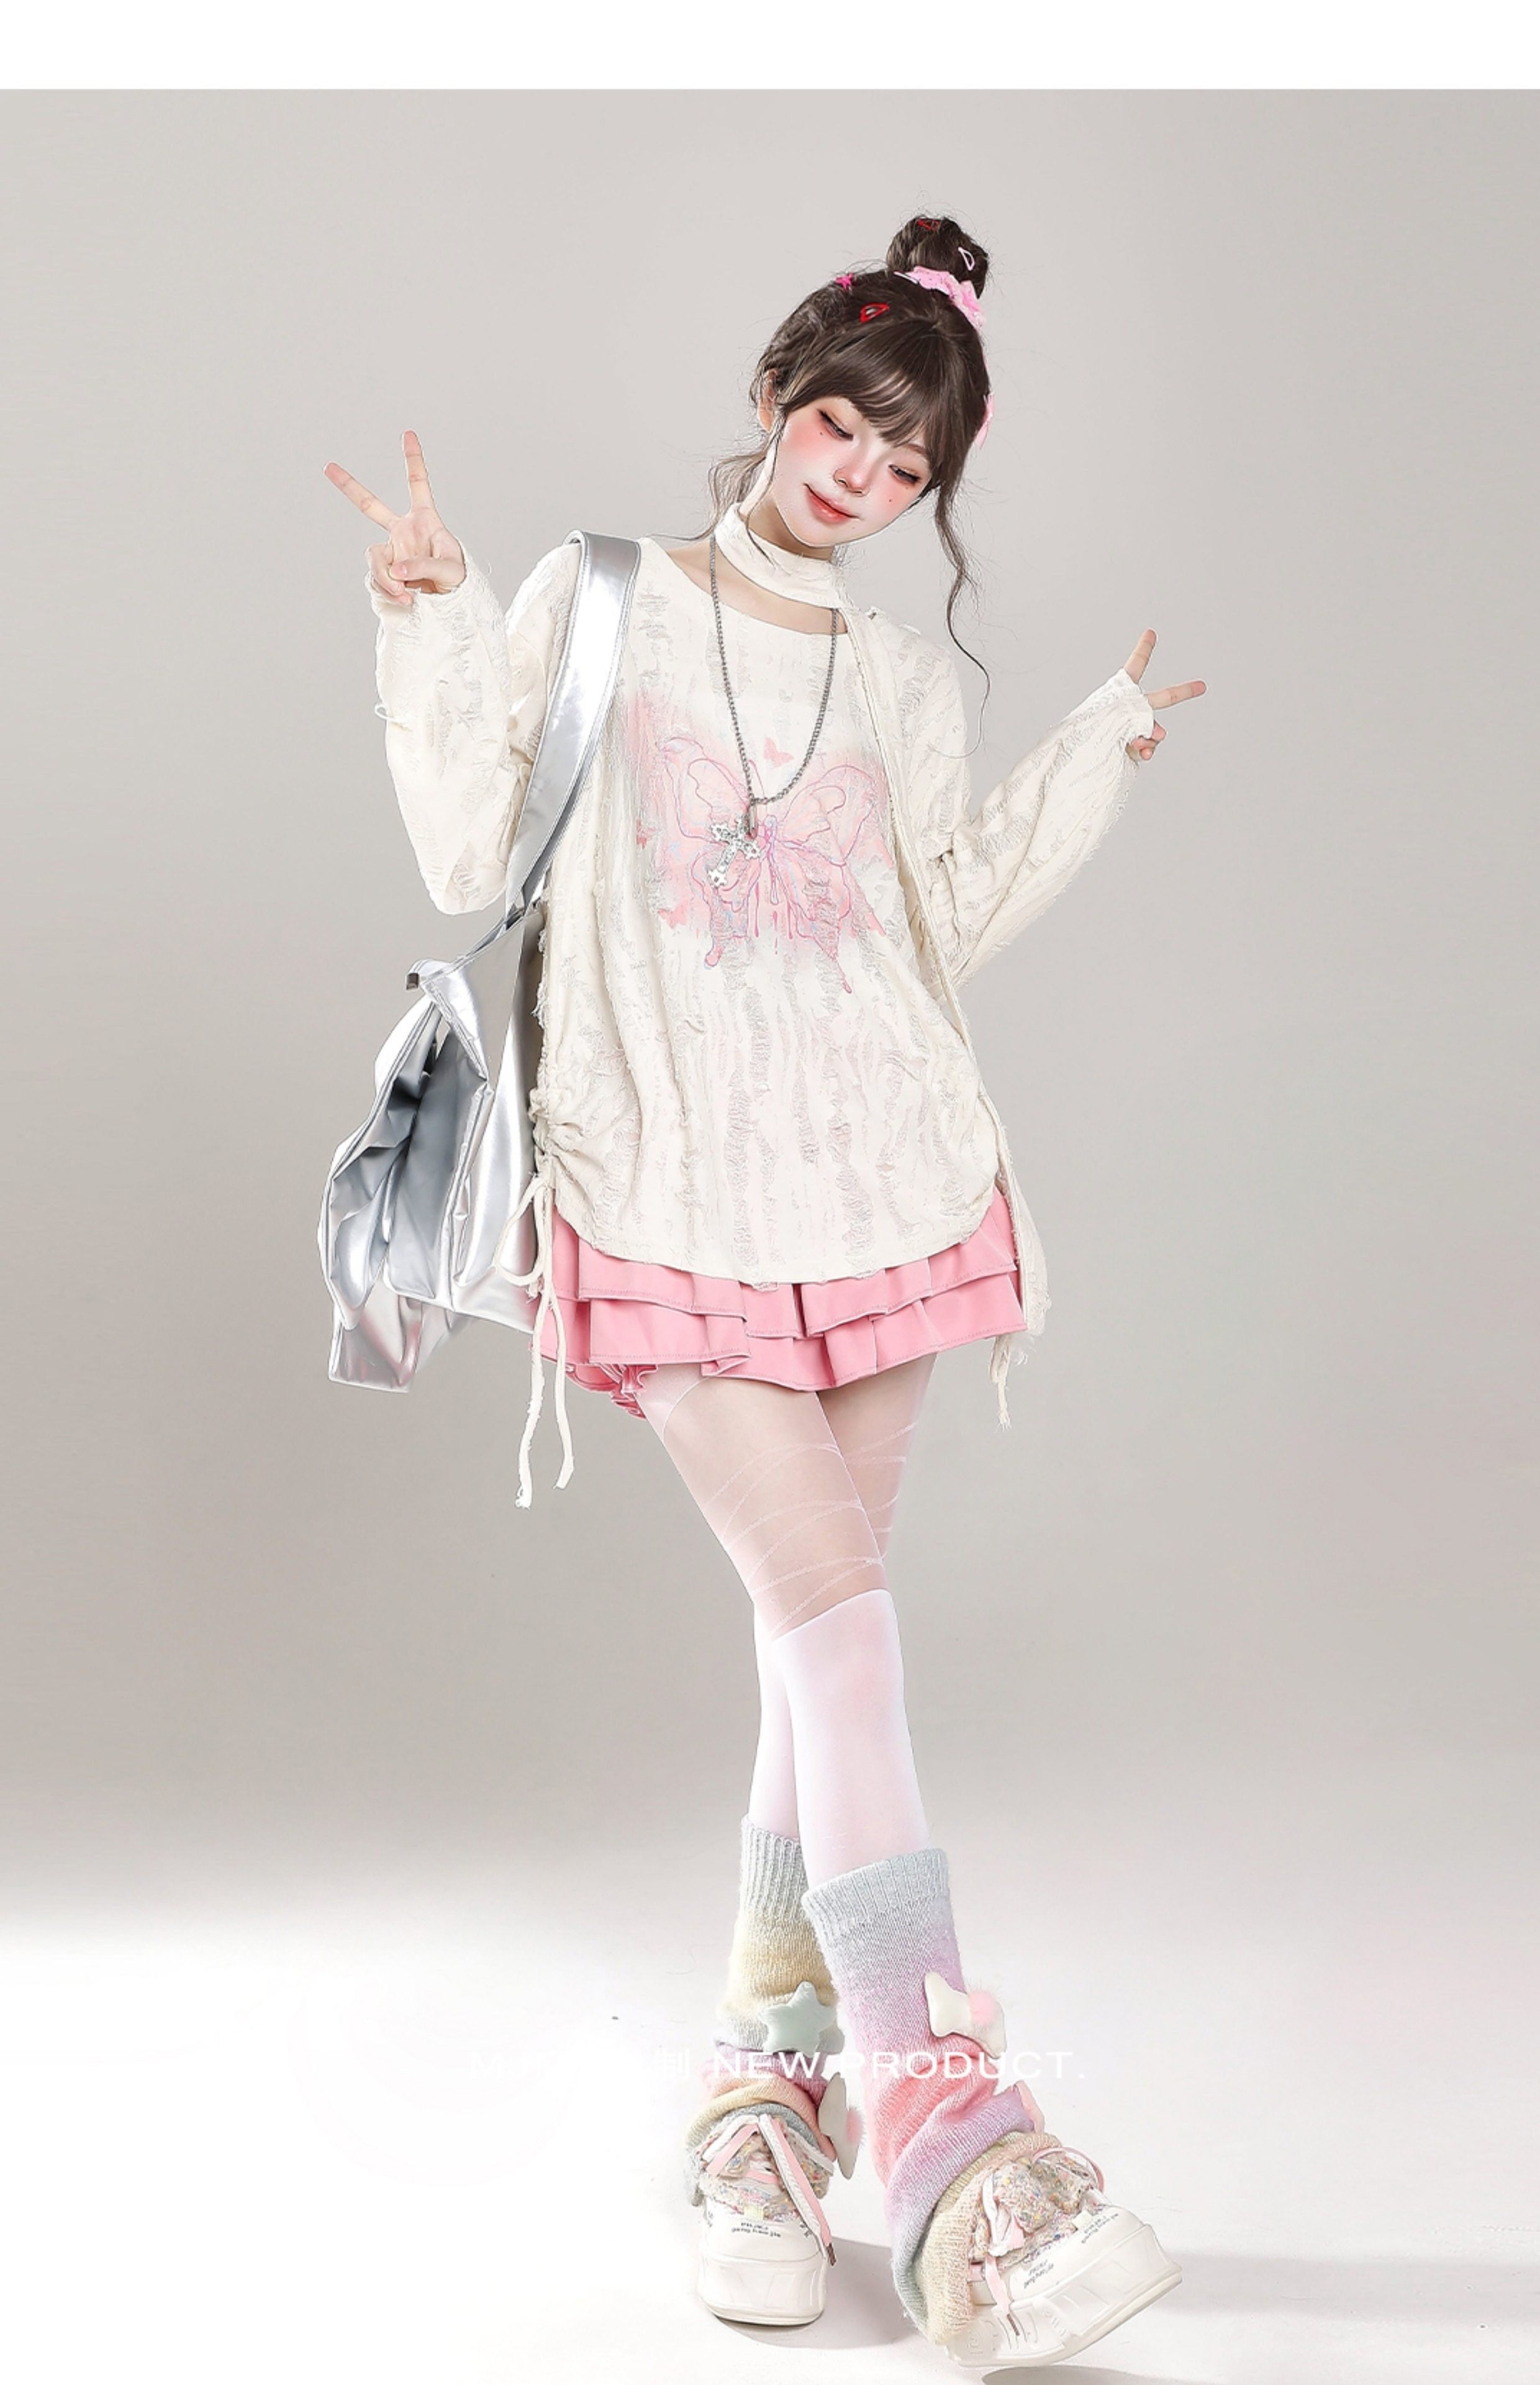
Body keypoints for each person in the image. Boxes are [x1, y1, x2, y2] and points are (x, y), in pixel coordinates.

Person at [325, 212, 1205, 2369]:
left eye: (909, 469)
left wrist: (1090, 758)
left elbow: (938, 923)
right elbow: (469, 847)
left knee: (820, 1666)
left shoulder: (899, 677)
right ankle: (959, 2142)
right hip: (668, 1181)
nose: (864, 483)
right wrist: (431, 613)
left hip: (882, 1180)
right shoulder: (605, 594)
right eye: (843, 432)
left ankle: (758, 2093)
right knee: (845, 1636)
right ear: (774, 401)